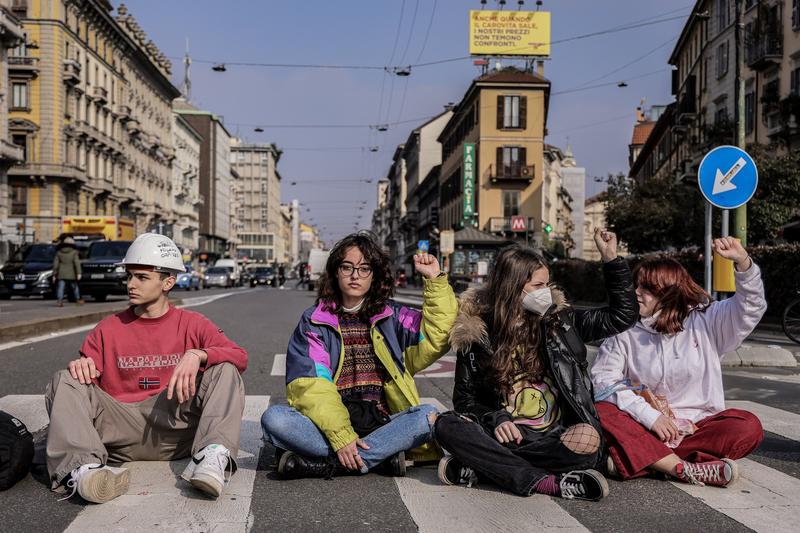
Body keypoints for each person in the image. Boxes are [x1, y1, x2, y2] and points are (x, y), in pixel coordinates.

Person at [434, 229, 637, 501]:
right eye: (539, 286)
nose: (547, 293)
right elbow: (465, 400)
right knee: (446, 425)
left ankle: (487, 467)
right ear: (513, 286)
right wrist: (497, 418)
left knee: (588, 438)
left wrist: (611, 259)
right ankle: (546, 482)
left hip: (553, 438)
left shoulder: (562, 322)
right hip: (503, 436)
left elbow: (623, 316)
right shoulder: (476, 333)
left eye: (548, 284)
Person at [45, 233, 248, 503]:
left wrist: (198, 354)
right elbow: (85, 380)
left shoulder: (193, 323)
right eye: (129, 276)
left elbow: (240, 356)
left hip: (177, 430)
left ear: (168, 282)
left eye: (142, 277)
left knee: (225, 368)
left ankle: (211, 456)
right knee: (65, 379)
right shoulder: (108, 329)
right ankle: (85, 472)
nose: (131, 284)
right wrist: (82, 366)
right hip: (120, 431)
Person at [261, 232, 457, 479]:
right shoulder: (314, 322)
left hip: (383, 422)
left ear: (374, 275)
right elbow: (312, 385)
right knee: (275, 419)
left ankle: (327, 463)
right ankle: (380, 457)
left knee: (427, 416)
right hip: (331, 426)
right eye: (347, 267)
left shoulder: (394, 317)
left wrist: (435, 281)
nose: (355, 275)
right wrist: (342, 436)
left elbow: (437, 335)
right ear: (335, 272)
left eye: (364, 268)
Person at [591, 237, 766, 487]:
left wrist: (743, 263)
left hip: (696, 428)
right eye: (636, 286)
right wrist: (650, 417)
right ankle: (681, 467)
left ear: (670, 293)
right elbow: (603, 382)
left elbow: (750, 308)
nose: (637, 293)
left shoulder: (707, 319)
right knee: (602, 411)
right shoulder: (624, 329)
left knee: (748, 426)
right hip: (644, 424)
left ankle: (642, 460)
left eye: (647, 289)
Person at [53, 237, 84, 307]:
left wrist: (54, 274)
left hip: (61, 273)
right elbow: (77, 263)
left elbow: (55, 264)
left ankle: (59, 301)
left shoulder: (59, 252)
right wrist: (79, 273)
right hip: (71, 273)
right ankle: (78, 299)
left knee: (61, 287)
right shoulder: (74, 252)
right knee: (75, 287)